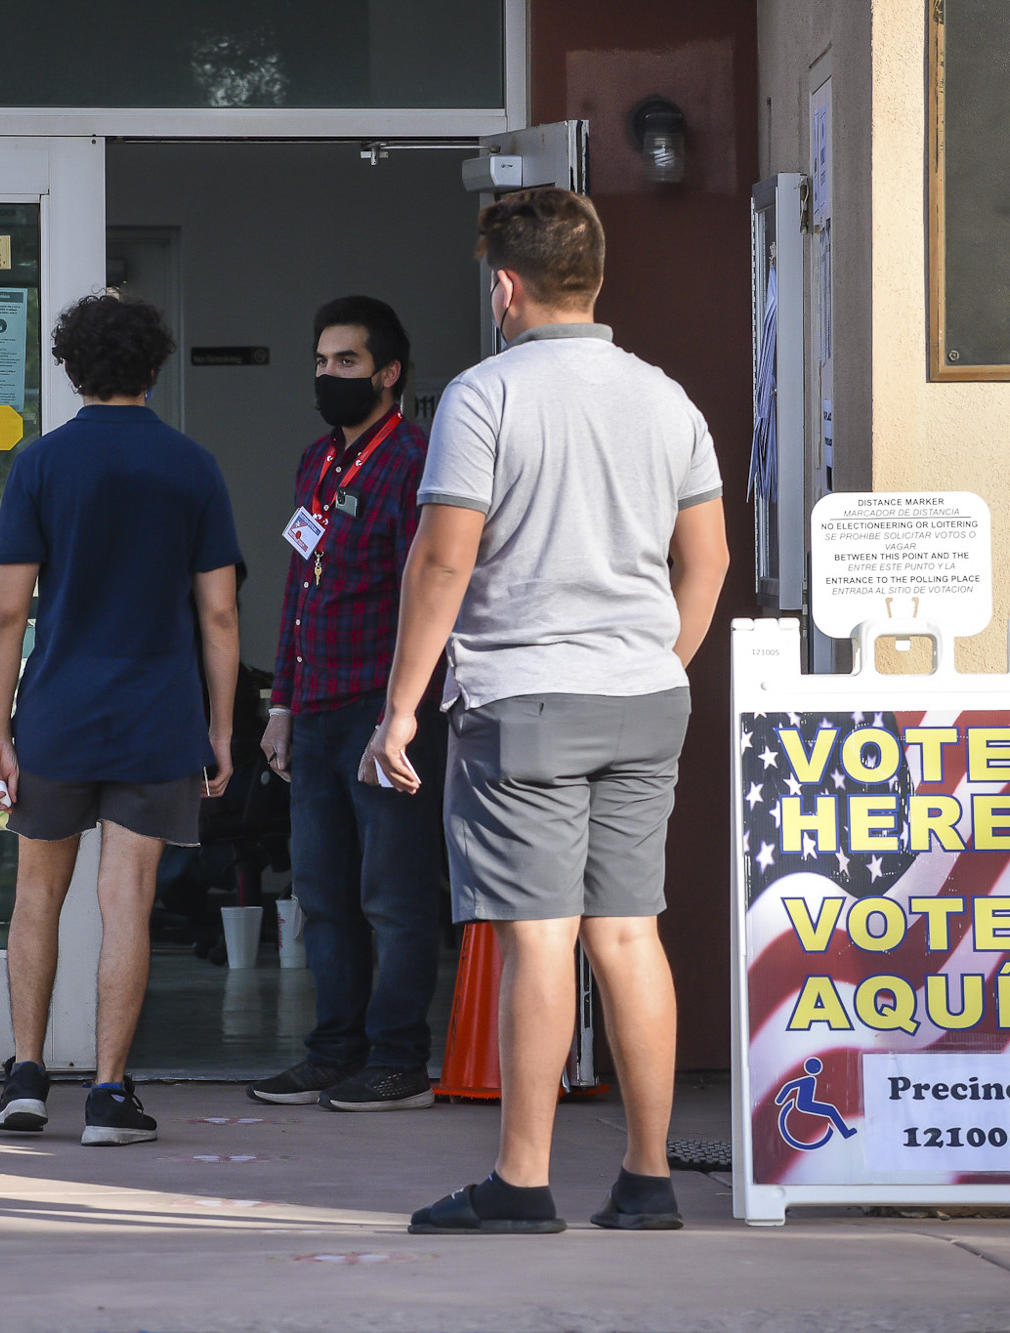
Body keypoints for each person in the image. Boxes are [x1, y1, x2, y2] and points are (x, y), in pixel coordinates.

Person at [362, 187, 730, 1233]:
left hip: (522, 702)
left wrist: (398, 709)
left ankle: (522, 1184)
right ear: (596, 279)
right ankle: (647, 1178)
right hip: (645, 697)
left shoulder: (482, 397)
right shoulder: (666, 398)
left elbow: (441, 560)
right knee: (626, 935)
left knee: (537, 941)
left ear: (503, 287)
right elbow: (704, 560)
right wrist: (656, 658)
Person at [0, 293, 241, 1146]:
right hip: (157, 714)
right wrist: (223, 730)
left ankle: (24, 1077)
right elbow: (220, 617)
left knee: (36, 892)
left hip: (57, 709)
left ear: (70, 368)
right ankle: (107, 1094)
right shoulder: (193, 465)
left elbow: (9, 614)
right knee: (124, 897)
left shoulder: (42, 464)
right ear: (155, 368)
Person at [248, 296, 449, 1113]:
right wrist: (282, 706)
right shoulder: (317, 462)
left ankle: (399, 1058)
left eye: (347, 363)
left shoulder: (418, 463)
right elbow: (301, 586)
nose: (328, 375)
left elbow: (427, 594)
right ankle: (335, 1049)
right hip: (317, 705)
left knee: (393, 897)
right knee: (322, 894)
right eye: (322, 362)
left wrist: (400, 711)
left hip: (382, 709)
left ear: (389, 373)